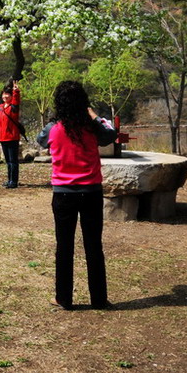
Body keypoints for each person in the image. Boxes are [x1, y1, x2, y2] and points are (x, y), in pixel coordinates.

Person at [38, 81, 117, 310]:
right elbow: (110, 134)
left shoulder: (54, 128)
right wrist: (93, 115)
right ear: (84, 103)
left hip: (63, 194)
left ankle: (64, 298)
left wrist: (56, 118)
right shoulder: (93, 127)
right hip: (91, 191)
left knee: (64, 246)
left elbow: (40, 140)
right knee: (94, 246)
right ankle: (99, 299)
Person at [0, 80, 22, 188]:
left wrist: (16, 92)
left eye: (7, 94)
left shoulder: (13, 108)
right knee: (8, 161)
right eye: (4, 94)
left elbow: (16, 102)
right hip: (3, 138)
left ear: (11, 96)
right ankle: (9, 180)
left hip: (12, 138)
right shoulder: (0, 108)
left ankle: (14, 182)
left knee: (13, 161)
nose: (5, 96)